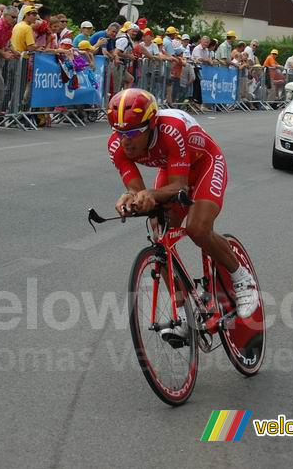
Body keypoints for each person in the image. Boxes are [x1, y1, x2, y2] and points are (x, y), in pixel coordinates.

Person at [106, 89, 260, 342]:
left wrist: (150, 195)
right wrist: (130, 198)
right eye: (119, 132)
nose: (125, 141)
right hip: (173, 167)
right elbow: (136, 189)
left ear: (152, 124)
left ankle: (242, 279)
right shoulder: (117, 145)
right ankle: (186, 315)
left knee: (197, 229)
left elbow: (178, 187)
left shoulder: (171, 129)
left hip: (204, 163)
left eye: (133, 133)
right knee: (160, 235)